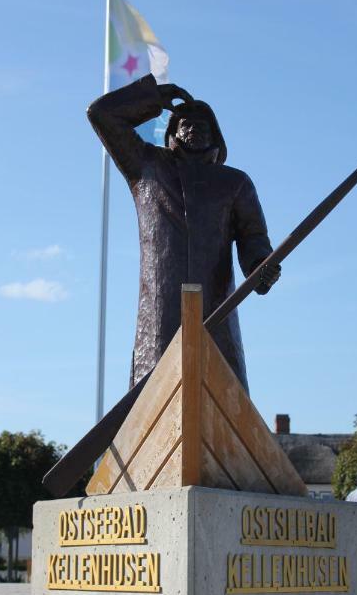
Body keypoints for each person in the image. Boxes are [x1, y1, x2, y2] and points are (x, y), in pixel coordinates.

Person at [87, 76, 281, 392]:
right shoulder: (146, 166)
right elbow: (101, 114)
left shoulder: (235, 183)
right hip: (161, 312)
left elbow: (253, 238)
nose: (195, 128)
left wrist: (262, 266)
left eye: (204, 125)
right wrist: (154, 97)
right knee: (151, 399)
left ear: (216, 135)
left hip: (216, 313)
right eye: (186, 124)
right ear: (172, 133)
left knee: (223, 399)